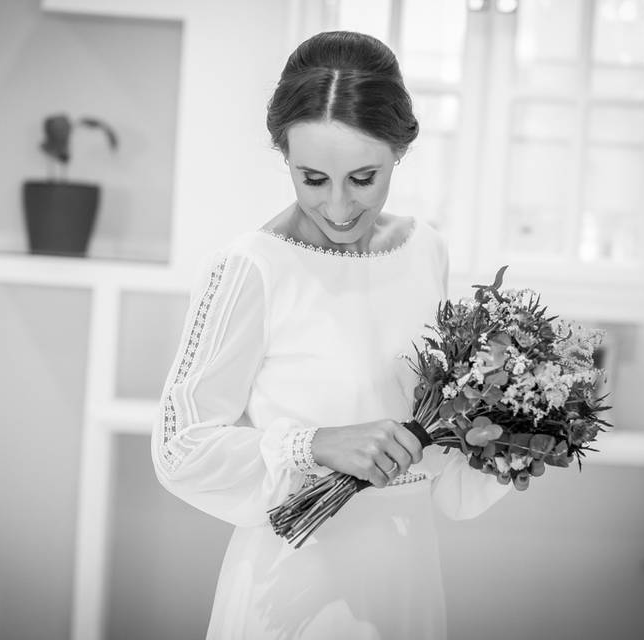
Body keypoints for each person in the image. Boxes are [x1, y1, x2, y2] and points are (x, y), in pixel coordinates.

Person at [151, 30, 511, 640]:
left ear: (401, 150)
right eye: (312, 178)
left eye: (363, 178)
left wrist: (514, 436)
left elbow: (438, 438)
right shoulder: (250, 267)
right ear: (282, 155)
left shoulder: (426, 250)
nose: (339, 207)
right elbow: (178, 447)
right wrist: (314, 445)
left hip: (407, 573)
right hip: (294, 584)